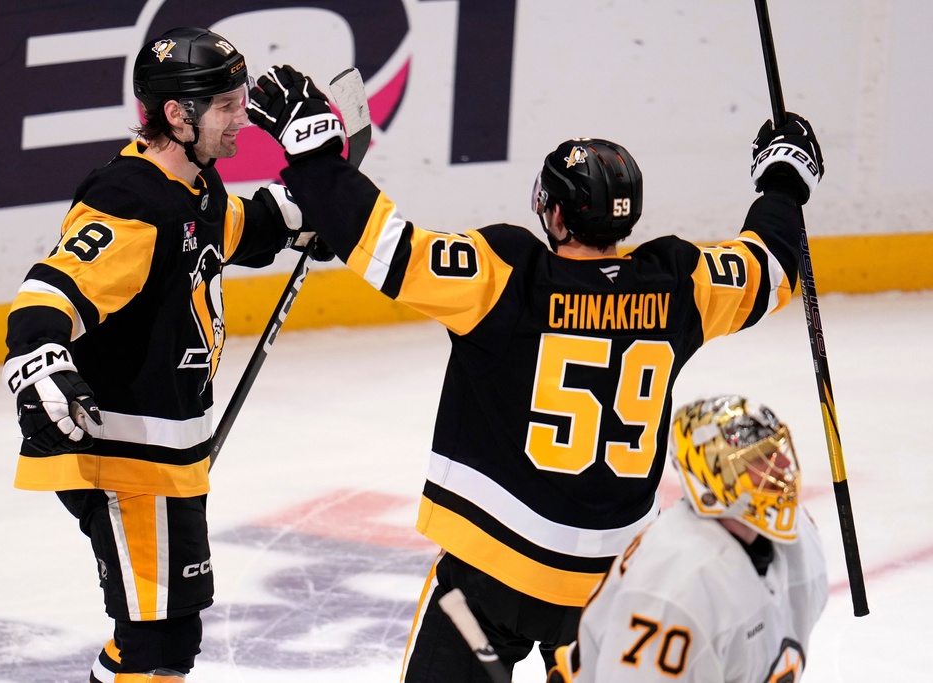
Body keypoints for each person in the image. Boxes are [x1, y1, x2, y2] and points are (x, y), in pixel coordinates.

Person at [245, 65, 824, 681]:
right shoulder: (680, 284)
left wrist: (311, 157)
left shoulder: (507, 277)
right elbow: (770, 266)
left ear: (554, 211)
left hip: (490, 576)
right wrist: (783, 182)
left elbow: (393, 250)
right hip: (604, 587)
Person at [1, 29, 329, 683]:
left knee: (170, 640)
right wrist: (37, 360)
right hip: (122, 455)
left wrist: (319, 194)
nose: (244, 119)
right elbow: (49, 291)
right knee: (154, 643)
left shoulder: (196, 189)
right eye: (228, 105)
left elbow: (247, 227)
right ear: (178, 115)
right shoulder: (131, 198)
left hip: (165, 453)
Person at [547, 395, 829, 682]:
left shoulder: (799, 537)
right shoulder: (677, 584)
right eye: (758, 459)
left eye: (775, 450)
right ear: (713, 481)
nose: (781, 465)